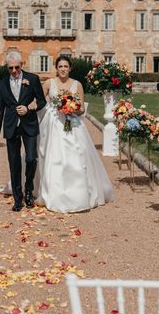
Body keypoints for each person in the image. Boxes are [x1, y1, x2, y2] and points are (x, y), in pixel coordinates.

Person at [35, 56, 114, 212]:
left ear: (70, 68)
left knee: (76, 156)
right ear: (56, 68)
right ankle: (51, 193)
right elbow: (39, 101)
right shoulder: (48, 83)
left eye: (66, 66)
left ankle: (78, 194)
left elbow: (82, 109)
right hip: (53, 124)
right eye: (60, 66)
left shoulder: (77, 85)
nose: (63, 69)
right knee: (53, 157)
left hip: (73, 123)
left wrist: (71, 108)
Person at [0, 51, 47, 211]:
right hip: (11, 127)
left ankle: (28, 190)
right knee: (14, 162)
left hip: (29, 124)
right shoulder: (2, 84)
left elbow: (42, 101)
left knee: (31, 159)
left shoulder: (32, 79)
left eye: (17, 67)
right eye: (11, 68)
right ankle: (18, 198)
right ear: (7, 68)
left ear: (22, 65)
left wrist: (30, 108)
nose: (14, 71)